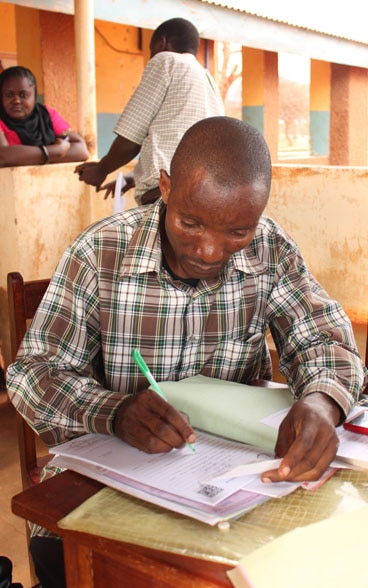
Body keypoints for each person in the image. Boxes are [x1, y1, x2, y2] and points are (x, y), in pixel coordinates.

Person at [7, 116, 367, 586]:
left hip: (236, 490)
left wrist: (322, 400)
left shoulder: (269, 248)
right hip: (111, 487)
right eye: (190, 222)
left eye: (236, 232)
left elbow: (325, 337)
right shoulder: (99, 253)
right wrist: (113, 410)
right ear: (166, 188)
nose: (211, 251)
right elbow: (33, 373)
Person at [75, 17, 224, 205]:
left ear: (161, 43)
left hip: (168, 194)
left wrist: (101, 169)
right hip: (206, 195)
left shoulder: (165, 61)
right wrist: (131, 179)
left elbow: (131, 140)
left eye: (151, 51)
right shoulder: (209, 81)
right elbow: (172, 142)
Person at [0, 66, 89, 167]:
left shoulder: (46, 114)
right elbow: (3, 156)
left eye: (23, 95)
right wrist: (54, 152)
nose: (16, 100)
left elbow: (81, 150)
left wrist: (27, 157)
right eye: (9, 95)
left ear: (34, 95)